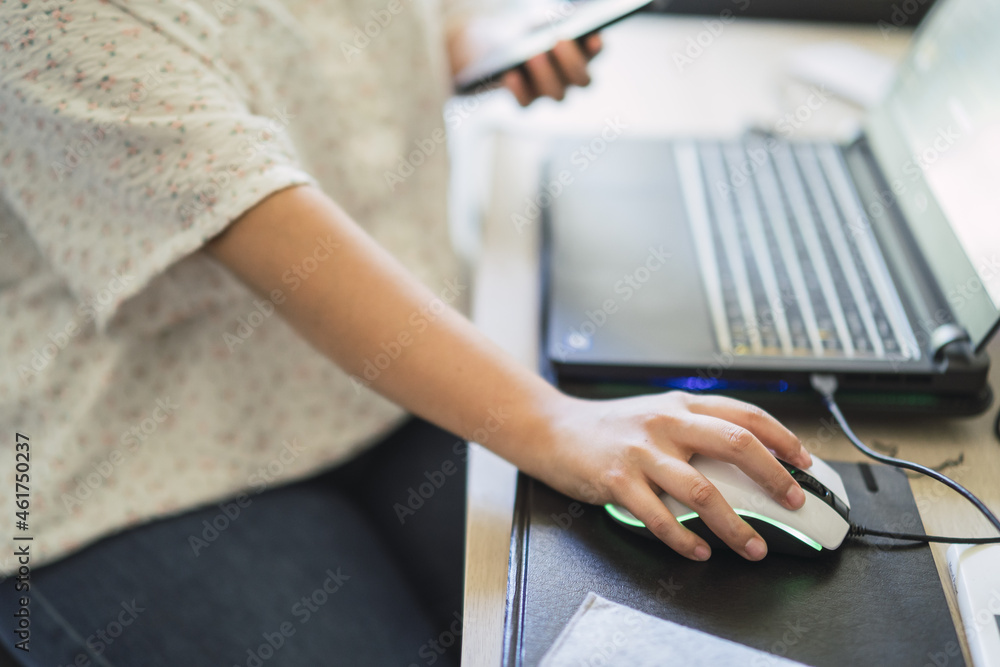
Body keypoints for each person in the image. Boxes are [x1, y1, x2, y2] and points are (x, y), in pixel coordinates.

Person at [0, 0, 812, 663]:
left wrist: (481, 40)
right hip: (137, 464)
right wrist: (561, 421)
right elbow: (268, 229)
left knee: (633, 622)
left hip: (381, 383)